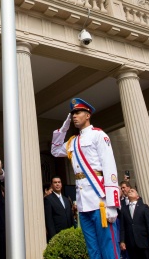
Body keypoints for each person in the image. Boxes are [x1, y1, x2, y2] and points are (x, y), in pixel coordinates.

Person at [51, 98, 121, 259]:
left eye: (77, 112)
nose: (74, 116)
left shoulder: (99, 135)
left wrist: (112, 203)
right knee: (92, 250)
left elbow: (109, 167)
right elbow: (55, 150)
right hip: (83, 203)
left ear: (87, 115)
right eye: (72, 114)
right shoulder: (72, 142)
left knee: (108, 247)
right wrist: (65, 126)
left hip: (100, 200)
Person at [119, 186, 149, 259]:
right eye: (129, 191)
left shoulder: (144, 207)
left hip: (144, 241)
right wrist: (122, 241)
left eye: (132, 191)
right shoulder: (124, 209)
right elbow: (122, 227)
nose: (130, 191)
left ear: (137, 196)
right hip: (131, 243)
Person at [44, 176, 75, 241]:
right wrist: (54, 238)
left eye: (59, 182)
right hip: (58, 235)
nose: (57, 184)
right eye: (55, 182)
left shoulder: (66, 199)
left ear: (61, 184)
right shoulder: (48, 199)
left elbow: (71, 217)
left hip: (69, 234)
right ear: (52, 185)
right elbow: (49, 220)